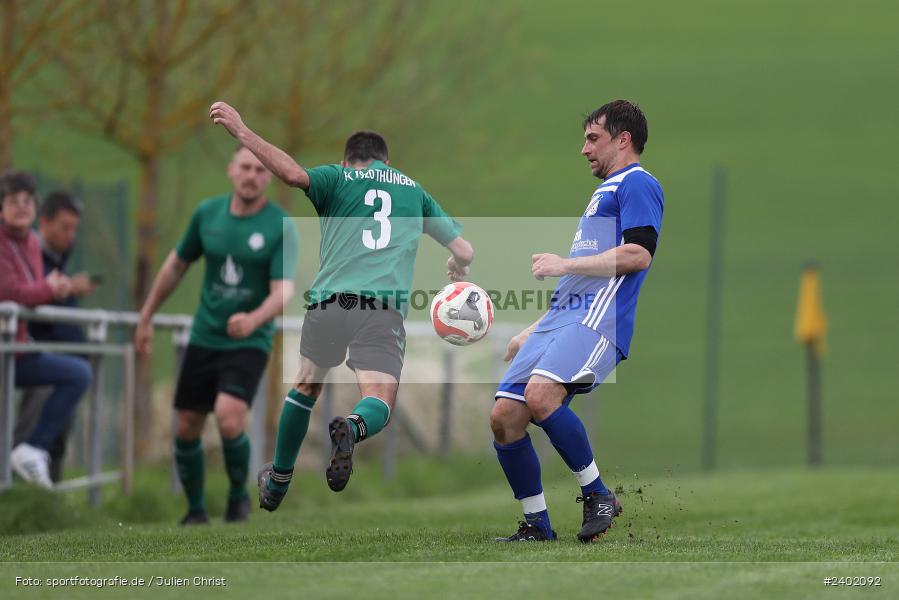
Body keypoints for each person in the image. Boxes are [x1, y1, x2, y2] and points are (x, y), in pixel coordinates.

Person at [209, 101, 474, 512]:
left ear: (346, 159)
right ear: (388, 162)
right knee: (380, 401)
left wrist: (242, 131)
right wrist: (458, 264)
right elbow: (464, 248)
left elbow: (293, 175)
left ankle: (278, 481)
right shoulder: (412, 189)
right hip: (380, 310)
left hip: (329, 304)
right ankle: (351, 427)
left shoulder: (336, 177)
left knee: (306, 385)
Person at [490, 100, 664, 542]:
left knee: (541, 394)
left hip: (600, 321)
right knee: (505, 416)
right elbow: (583, 278)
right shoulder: (602, 193)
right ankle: (537, 525)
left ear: (623, 140)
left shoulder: (637, 183)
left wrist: (563, 264)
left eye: (593, 138)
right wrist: (536, 328)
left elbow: (638, 253)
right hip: (566, 318)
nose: (584, 149)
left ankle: (598, 494)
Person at [134, 146, 299, 525]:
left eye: (260, 170)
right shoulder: (207, 214)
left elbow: (283, 291)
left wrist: (253, 319)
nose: (251, 175)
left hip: (250, 340)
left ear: (269, 177)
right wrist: (145, 316)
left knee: (228, 418)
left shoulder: (280, 225)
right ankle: (194, 510)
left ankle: (239, 498)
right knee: (187, 423)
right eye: (245, 167)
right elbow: (176, 266)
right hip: (205, 335)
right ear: (231, 171)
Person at [0, 170, 92, 489]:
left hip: (19, 348)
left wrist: (53, 288)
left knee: (77, 374)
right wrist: (51, 289)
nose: (22, 207)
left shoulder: (28, 243)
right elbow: (11, 292)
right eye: (14, 201)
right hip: (10, 347)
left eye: (28, 201)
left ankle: (32, 451)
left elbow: (32, 292)